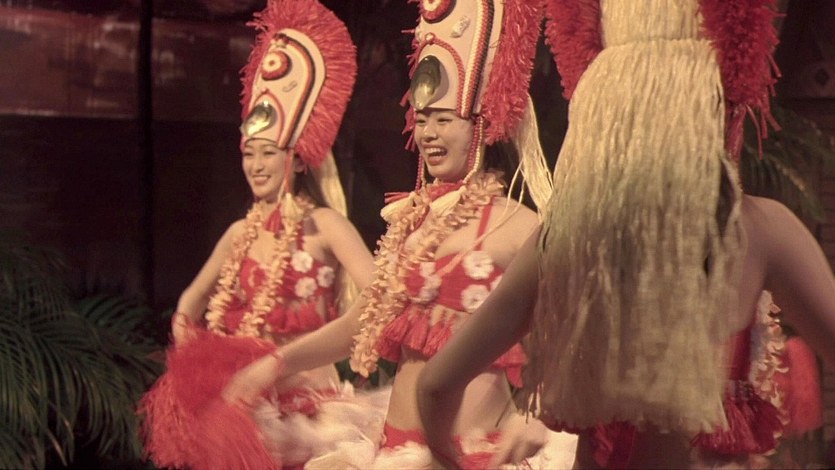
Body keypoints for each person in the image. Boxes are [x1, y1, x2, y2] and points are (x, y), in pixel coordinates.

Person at [416, 0, 835, 468]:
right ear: (710, 102)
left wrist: (449, 458)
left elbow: (435, 386)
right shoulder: (760, 230)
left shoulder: (562, 239)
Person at [220, 1, 577, 468]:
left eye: (444, 120)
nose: (428, 133)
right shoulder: (411, 226)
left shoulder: (517, 226)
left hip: (467, 455)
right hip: (392, 450)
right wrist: (275, 364)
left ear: (481, 125)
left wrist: (537, 410)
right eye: (422, 120)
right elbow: (360, 323)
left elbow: (569, 333)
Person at [138, 1, 383, 469]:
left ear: (296, 158)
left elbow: (378, 297)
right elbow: (190, 301)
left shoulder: (326, 224)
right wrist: (190, 355)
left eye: (268, 152)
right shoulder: (240, 233)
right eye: (249, 153)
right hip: (250, 410)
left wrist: (294, 356)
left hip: (313, 406)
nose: (255, 164)